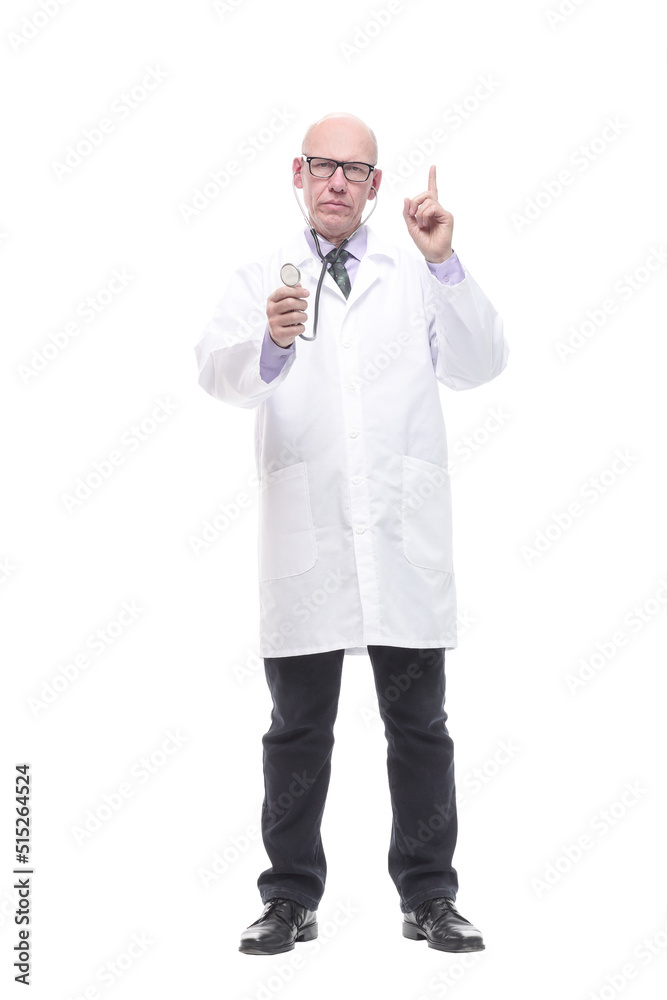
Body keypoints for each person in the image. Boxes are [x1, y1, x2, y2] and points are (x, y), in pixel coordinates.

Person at [194, 111, 509, 956]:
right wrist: (269, 343)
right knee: (297, 730)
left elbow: (480, 363)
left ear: (374, 186)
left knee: (419, 726)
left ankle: (429, 895)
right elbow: (217, 375)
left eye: (356, 170)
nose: (338, 181)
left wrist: (444, 263)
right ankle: (289, 898)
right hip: (309, 541)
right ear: (297, 174)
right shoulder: (262, 275)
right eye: (324, 166)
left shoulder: (414, 273)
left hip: (400, 537)